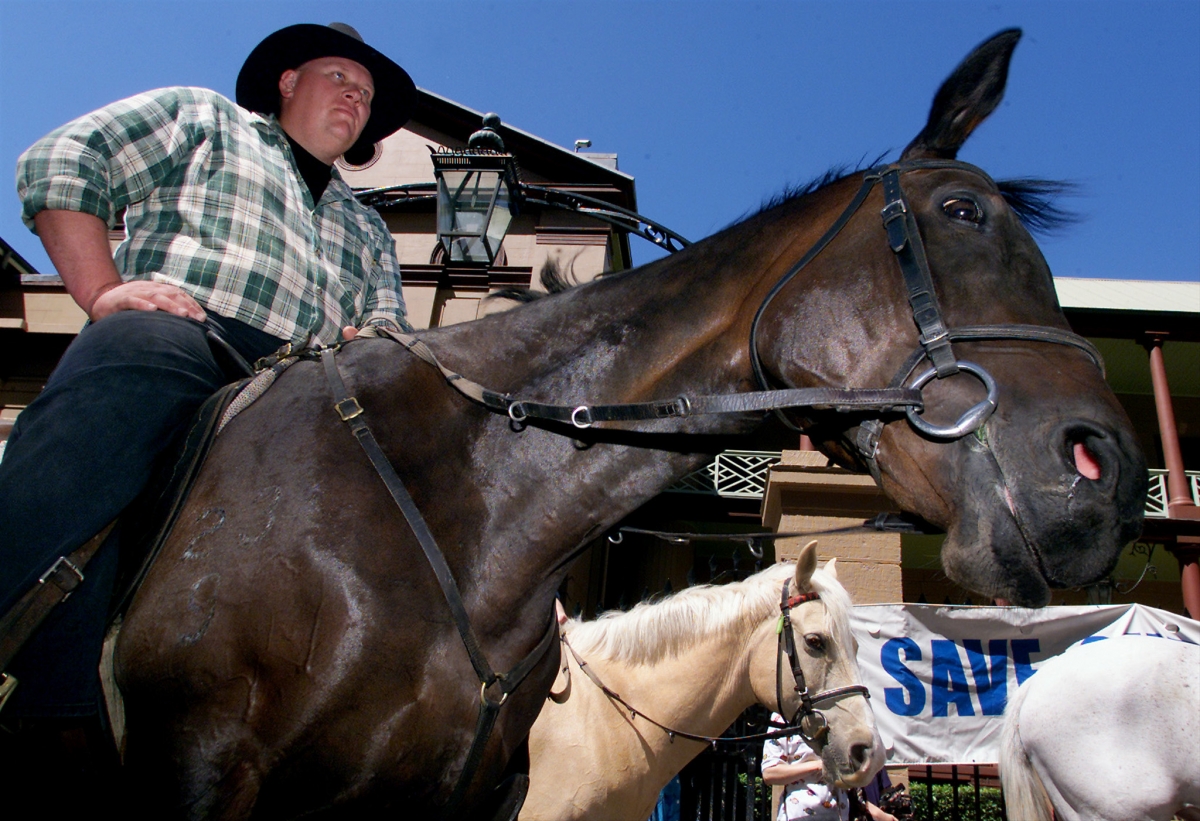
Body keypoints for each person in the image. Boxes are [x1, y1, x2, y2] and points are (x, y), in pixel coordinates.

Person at [0, 21, 415, 784]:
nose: (355, 98)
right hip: (191, 329)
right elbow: (63, 158)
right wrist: (101, 291)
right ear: (288, 82)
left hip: (312, 389)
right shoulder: (207, 120)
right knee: (123, 360)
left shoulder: (369, 226)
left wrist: (375, 342)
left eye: (365, 94)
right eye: (339, 79)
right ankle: (23, 669)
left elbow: (391, 328)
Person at [762, 713, 896, 821]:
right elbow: (770, 773)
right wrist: (817, 766)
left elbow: (853, 789)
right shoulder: (783, 718)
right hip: (798, 815)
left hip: (839, 814)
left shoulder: (840, 718)